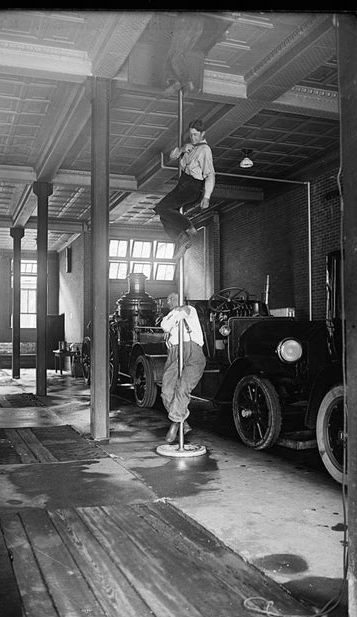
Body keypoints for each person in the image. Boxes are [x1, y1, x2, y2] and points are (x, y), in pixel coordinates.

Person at [155, 119, 215, 260]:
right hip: (183, 183)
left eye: (196, 135)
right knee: (163, 213)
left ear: (203, 134)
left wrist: (207, 196)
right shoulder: (189, 146)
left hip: (192, 185)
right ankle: (180, 238)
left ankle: (187, 228)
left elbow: (210, 174)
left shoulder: (205, 150)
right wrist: (182, 149)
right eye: (191, 134)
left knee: (162, 208)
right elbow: (172, 157)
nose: (193, 137)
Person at [160, 292, 206, 443]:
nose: (169, 300)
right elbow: (165, 326)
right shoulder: (169, 316)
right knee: (166, 391)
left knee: (183, 388)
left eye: (173, 298)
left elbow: (183, 313)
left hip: (192, 350)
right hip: (174, 352)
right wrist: (173, 316)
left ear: (182, 299)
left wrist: (175, 316)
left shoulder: (189, 310)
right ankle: (182, 422)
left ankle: (174, 423)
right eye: (168, 299)